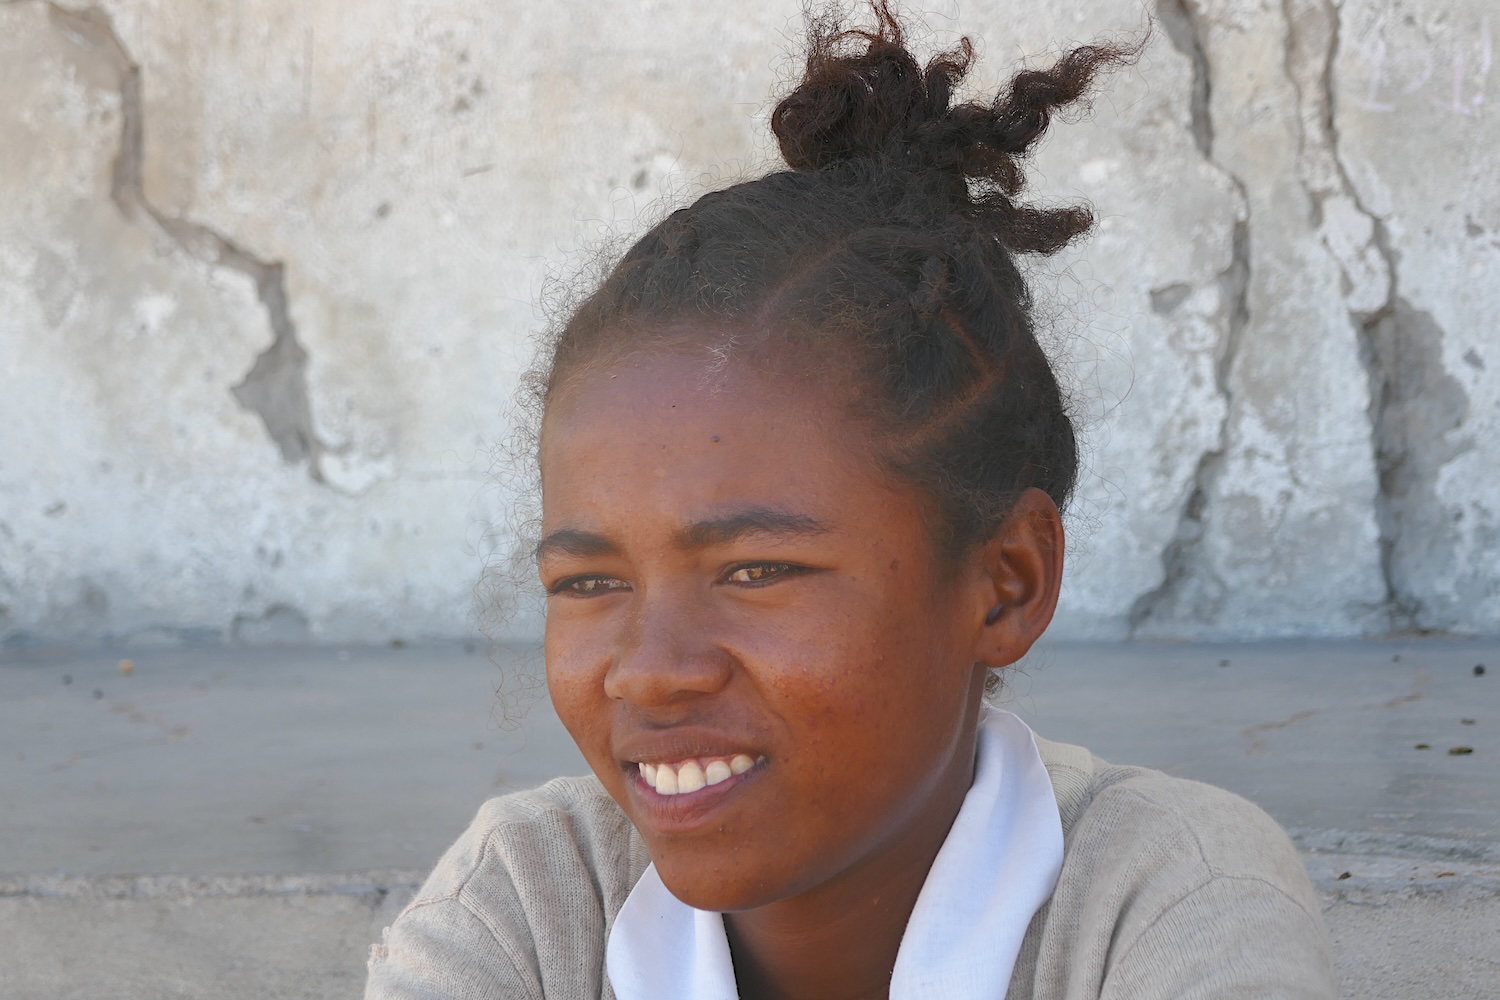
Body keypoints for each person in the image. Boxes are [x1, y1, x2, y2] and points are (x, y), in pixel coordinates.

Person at [365, 4, 1336, 997]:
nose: (651, 675)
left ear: (1007, 582)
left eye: (756, 569)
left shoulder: (1166, 905)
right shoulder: (528, 907)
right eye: (589, 580)